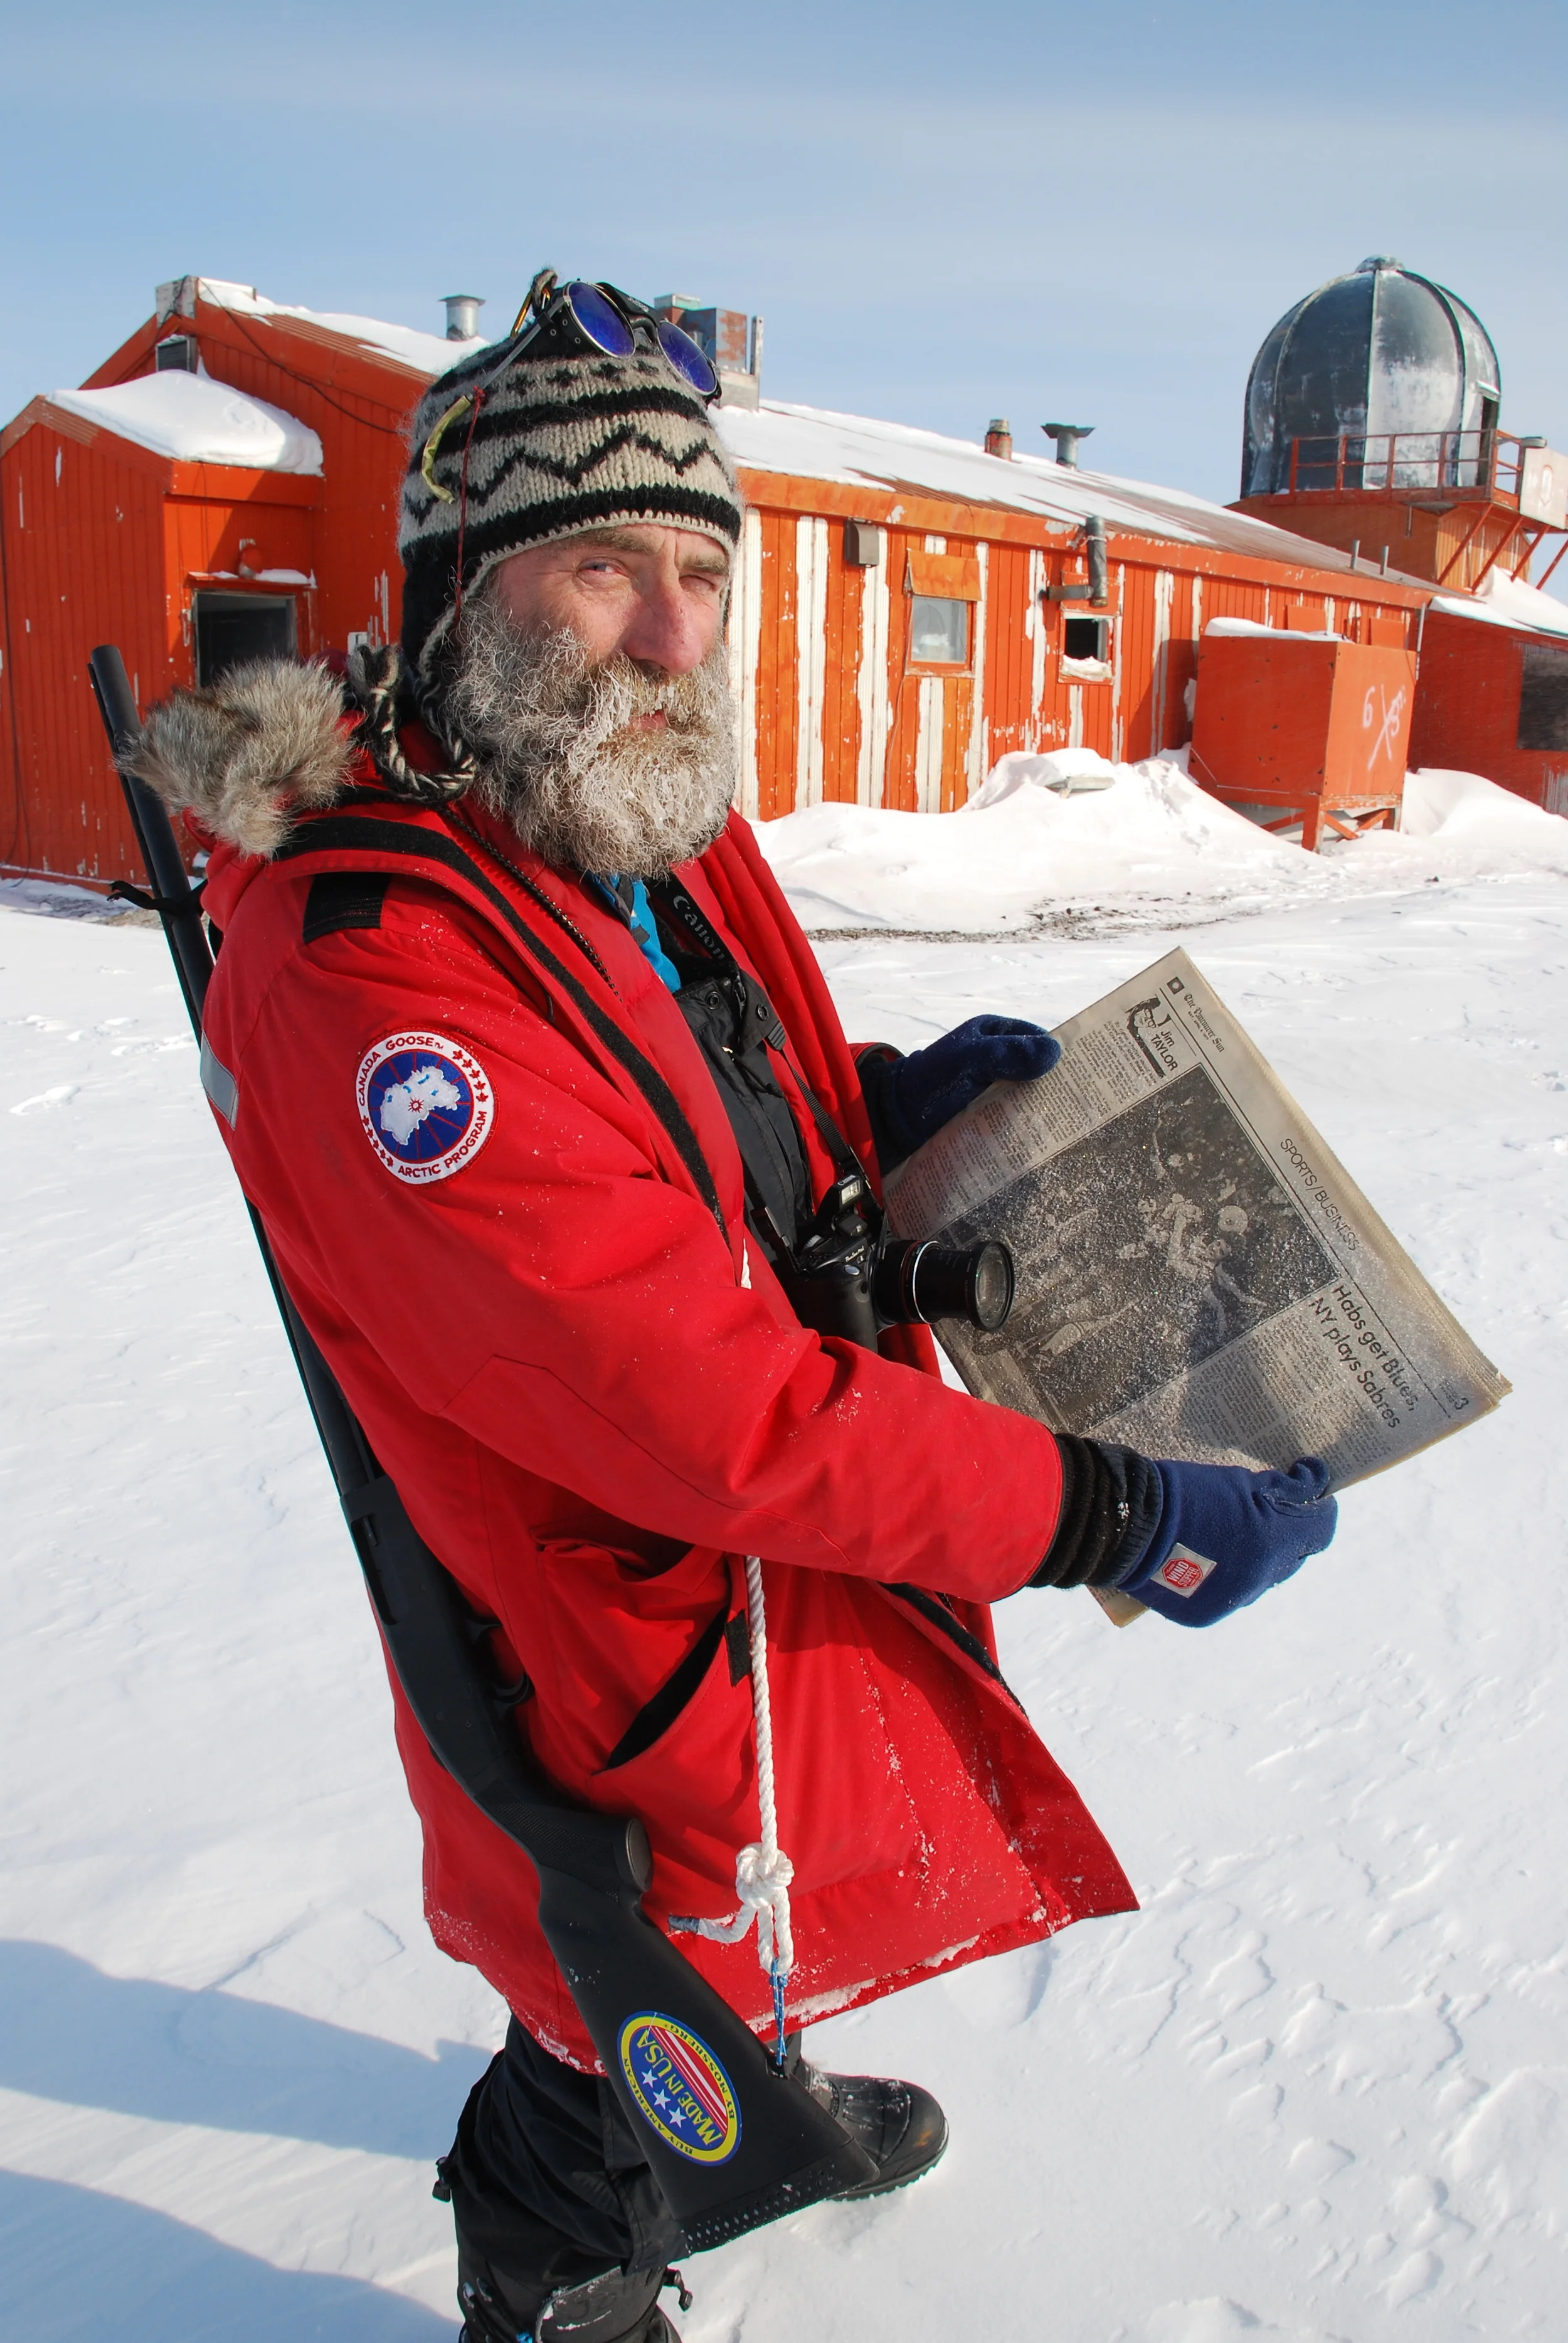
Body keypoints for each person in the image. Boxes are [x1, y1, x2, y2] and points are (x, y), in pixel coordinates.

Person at [134, 274, 1338, 2343]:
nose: (677, 633)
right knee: (620, 1949)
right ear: (456, 586)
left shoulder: (612, 812)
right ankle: (556, 2251)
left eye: (703, 567)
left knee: (730, 1908)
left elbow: (671, 1113)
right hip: (618, 1596)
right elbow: (701, 1404)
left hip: (768, 1567)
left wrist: (871, 1109)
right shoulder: (369, 971)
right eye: (604, 566)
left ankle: (739, 2072)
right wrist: (1111, 1514)